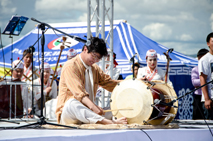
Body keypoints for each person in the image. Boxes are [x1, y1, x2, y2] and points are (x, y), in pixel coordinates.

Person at [56, 37, 127, 125]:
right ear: (85, 49)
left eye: (98, 59)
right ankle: (108, 122)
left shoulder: (95, 69)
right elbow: (79, 93)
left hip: (89, 113)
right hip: (69, 115)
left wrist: (134, 83)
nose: (95, 60)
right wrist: (93, 107)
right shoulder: (70, 65)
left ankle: (101, 120)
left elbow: (109, 83)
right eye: (94, 56)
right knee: (72, 103)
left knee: (119, 109)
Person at [198, 32, 213, 119]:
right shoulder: (205, 59)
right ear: (208, 44)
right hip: (211, 98)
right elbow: (202, 79)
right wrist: (207, 99)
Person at [191, 48, 209, 119]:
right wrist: (204, 80)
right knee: (198, 117)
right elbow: (194, 82)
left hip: (209, 95)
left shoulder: (210, 68)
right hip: (199, 95)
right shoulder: (195, 69)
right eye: (200, 57)